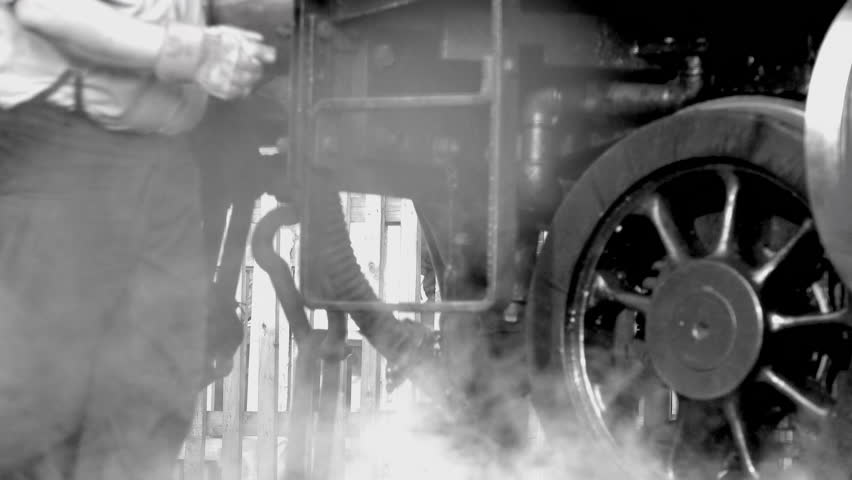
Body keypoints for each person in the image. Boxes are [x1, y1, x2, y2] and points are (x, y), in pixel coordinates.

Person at [0, 0, 275, 478]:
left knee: (151, 396)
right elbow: (45, 7)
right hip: (63, 141)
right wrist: (196, 52)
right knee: (37, 408)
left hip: (163, 154)